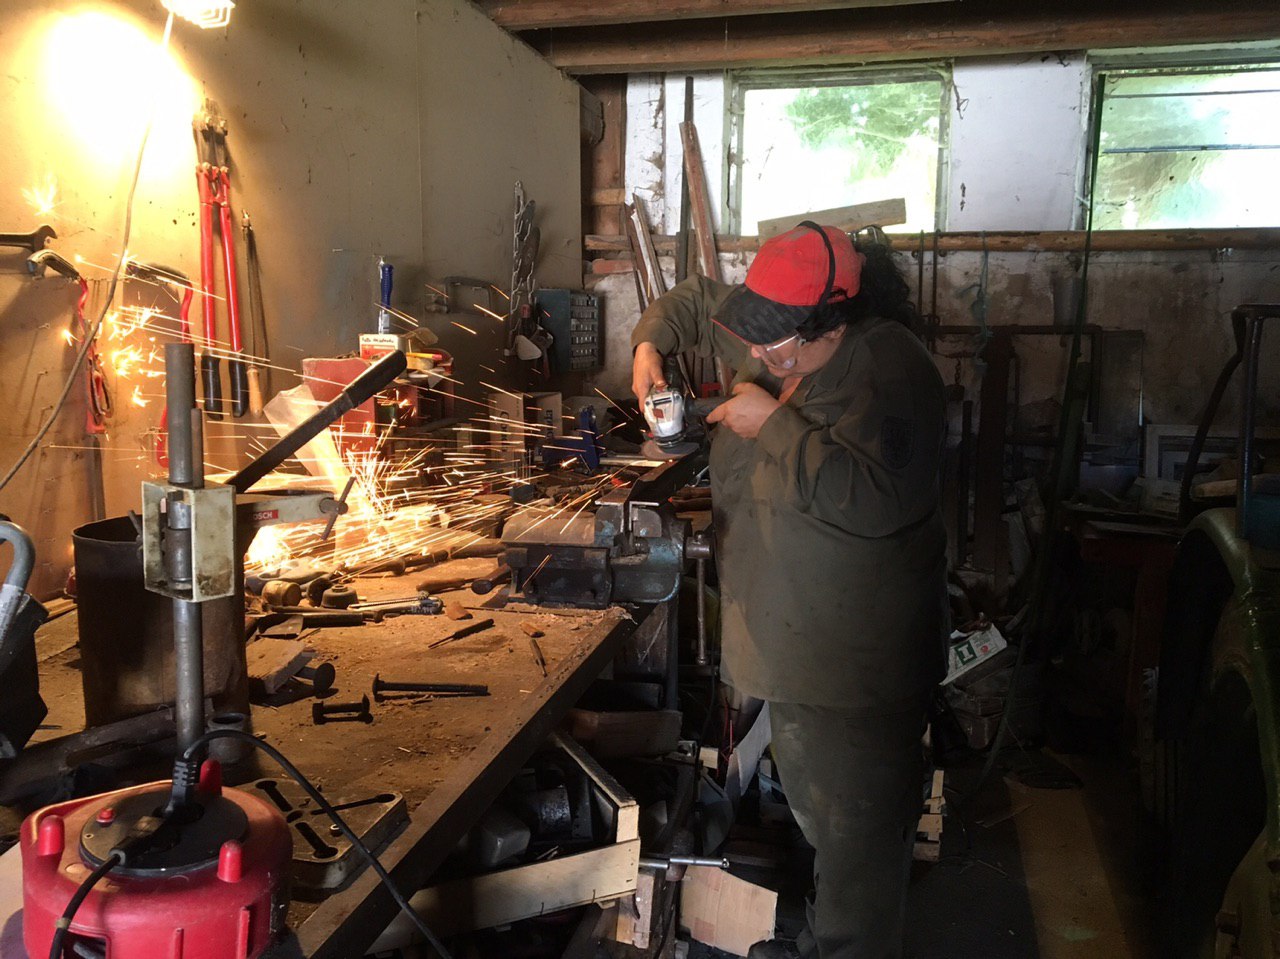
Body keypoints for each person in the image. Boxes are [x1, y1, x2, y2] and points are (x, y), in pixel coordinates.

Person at [630, 222, 949, 959]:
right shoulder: (779, 334)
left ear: (831, 322)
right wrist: (649, 347)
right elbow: (692, 302)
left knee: (859, 846)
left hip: (857, 668)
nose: (762, 355)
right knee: (819, 817)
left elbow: (878, 500)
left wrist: (771, 423)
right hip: (796, 651)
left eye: (777, 347)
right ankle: (819, 941)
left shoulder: (892, 371)